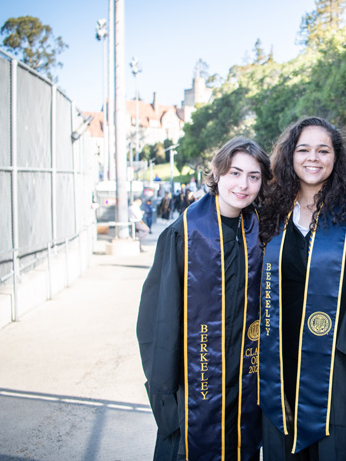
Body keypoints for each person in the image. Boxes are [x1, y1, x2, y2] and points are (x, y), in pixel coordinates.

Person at [136, 137, 272, 460]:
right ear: (217, 173)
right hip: (195, 389)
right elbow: (159, 321)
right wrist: (167, 396)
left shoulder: (260, 232)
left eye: (253, 176)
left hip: (244, 385)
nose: (243, 185)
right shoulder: (184, 234)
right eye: (235, 173)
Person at [258, 117, 346, 460]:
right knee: (282, 443)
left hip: (335, 356)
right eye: (303, 149)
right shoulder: (270, 210)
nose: (313, 158)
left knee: (337, 443)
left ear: (337, 157)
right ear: (290, 156)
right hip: (278, 353)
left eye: (324, 150)